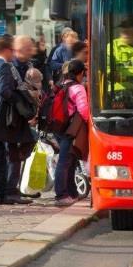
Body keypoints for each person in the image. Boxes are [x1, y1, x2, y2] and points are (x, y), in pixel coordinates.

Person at [0, 36, 33, 205]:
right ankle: (10, 192)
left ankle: (1, 193)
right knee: (11, 155)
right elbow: (4, 91)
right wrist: (19, 99)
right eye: (12, 50)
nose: (14, 53)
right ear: (6, 50)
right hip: (6, 119)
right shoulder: (4, 67)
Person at [54, 60, 89, 206]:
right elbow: (84, 110)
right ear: (80, 73)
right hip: (71, 129)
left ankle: (72, 193)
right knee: (65, 161)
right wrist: (90, 124)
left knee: (70, 161)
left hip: (59, 127)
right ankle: (61, 195)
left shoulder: (61, 84)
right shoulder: (78, 88)